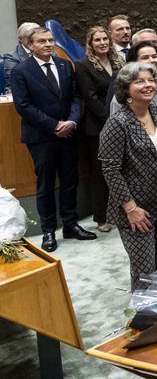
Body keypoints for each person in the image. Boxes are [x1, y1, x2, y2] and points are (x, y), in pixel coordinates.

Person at [98, 62, 157, 289]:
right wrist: (131, 209)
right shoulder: (117, 123)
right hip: (137, 207)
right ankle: (144, 320)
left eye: (151, 80)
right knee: (144, 269)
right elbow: (110, 170)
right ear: (126, 89)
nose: (148, 85)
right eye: (139, 81)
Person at [10, 27, 96, 252]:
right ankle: (48, 230)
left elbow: (76, 97)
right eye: (42, 41)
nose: (48, 44)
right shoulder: (21, 70)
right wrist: (53, 125)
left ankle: (70, 224)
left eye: (50, 40)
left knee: (70, 180)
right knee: (46, 184)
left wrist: (72, 121)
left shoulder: (65, 65)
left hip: (69, 133)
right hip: (41, 137)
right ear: (30, 45)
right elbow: (24, 106)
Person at [75, 26, 125, 233]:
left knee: (121, 171)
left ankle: (121, 211)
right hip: (98, 126)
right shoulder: (84, 65)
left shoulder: (119, 62)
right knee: (101, 173)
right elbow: (90, 97)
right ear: (90, 44)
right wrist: (110, 119)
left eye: (105, 38)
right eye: (98, 40)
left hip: (121, 122)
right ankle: (101, 218)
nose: (103, 42)